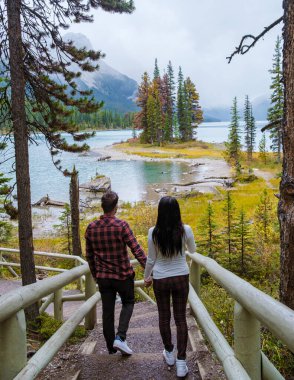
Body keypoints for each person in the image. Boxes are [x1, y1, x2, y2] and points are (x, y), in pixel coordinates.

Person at [85, 191, 147, 356]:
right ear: (116, 207)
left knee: (107, 311)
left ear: (102, 207)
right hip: (122, 275)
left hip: (104, 278)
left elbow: (89, 256)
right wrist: (148, 268)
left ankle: (111, 347)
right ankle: (120, 336)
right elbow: (136, 249)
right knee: (128, 302)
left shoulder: (91, 228)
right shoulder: (121, 226)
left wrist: (95, 274)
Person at [144, 196, 196, 378]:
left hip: (161, 278)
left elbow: (151, 259)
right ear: (177, 211)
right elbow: (193, 251)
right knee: (181, 319)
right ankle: (182, 362)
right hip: (181, 276)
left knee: (164, 317)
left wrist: (146, 277)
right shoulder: (186, 230)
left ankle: (169, 353)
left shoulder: (153, 232)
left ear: (160, 212)